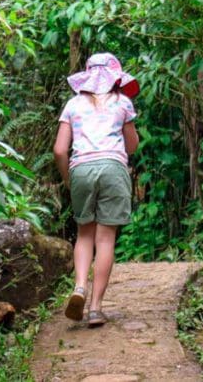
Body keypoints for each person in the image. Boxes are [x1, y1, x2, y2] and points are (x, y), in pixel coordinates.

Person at [52, 52, 140, 327]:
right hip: (112, 168)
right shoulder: (122, 102)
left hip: (81, 169)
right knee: (105, 239)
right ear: (116, 78)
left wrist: (69, 178)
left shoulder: (73, 105)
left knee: (84, 233)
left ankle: (79, 286)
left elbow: (59, 150)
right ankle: (95, 308)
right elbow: (132, 145)